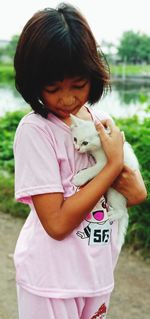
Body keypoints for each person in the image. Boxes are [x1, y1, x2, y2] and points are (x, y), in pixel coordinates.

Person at [13, 3, 147, 319]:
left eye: (78, 84)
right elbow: (57, 224)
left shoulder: (104, 124)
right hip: (51, 283)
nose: (68, 98)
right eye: (53, 88)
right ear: (33, 84)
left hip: (96, 276)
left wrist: (129, 180)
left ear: (94, 75)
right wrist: (112, 166)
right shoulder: (35, 130)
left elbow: (134, 194)